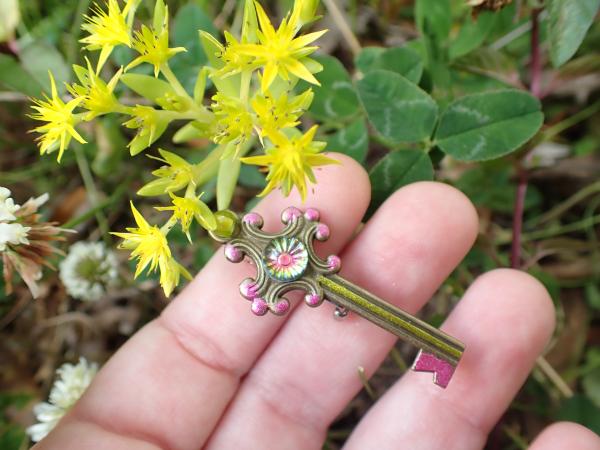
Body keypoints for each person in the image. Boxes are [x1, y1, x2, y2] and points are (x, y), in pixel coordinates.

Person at [34, 154, 600, 449]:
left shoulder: (279, 247)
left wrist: (291, 263)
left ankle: (447, 357)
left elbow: (286, 256)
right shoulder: (264, 262)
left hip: (318, 276)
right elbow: (270, 282)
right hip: (315, 281)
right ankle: (445, 357)